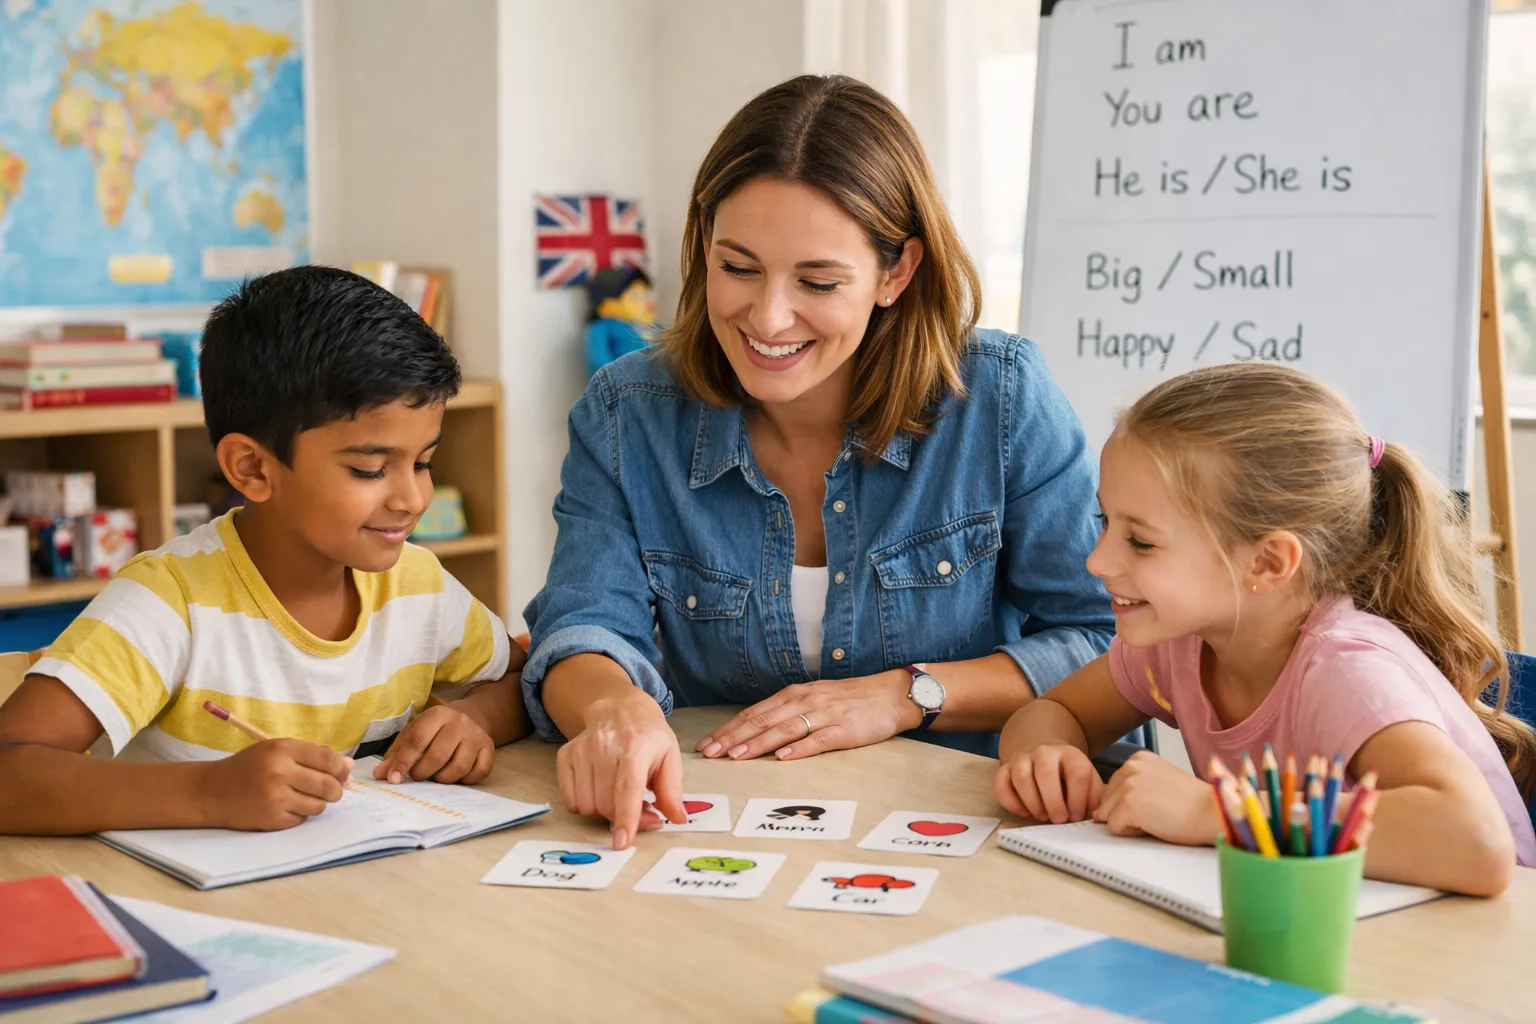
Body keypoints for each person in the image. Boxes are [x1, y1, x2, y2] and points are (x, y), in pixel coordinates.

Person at [522, 74, 1114, 850]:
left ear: (895, 273)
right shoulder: (625, 413)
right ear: (704, 245)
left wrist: (908, 696)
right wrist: (614, 711)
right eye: (738, 267)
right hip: (723, 834)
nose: (767, 317)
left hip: (968, 824)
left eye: (819, 281)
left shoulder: (998, 399)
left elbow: (1103, 637)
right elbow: (584, 625)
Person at [0, 266, 529, 834]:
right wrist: (208, 793)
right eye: (370, 469)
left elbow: (521, 682)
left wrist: (474, 719)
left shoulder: (417, 585)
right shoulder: (171, 600)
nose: (412, 497)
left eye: (423, 462)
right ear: (252, 468)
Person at [993, 363, 1536, 896]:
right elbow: (1053, 712)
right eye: (1104, 522)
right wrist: (1046, 756)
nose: (1097, 561)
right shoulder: (1182, 640)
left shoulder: (1345, 669)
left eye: (1141, 542)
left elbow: (1478, 842)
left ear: (1267, 564)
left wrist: (1215, 810)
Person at [584, 266, 661, 377]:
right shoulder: (601, 328)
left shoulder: (653, 328)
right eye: (635, 296)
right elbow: (599, 362)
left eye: (646, 294)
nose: (647, 301)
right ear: (608, 306)